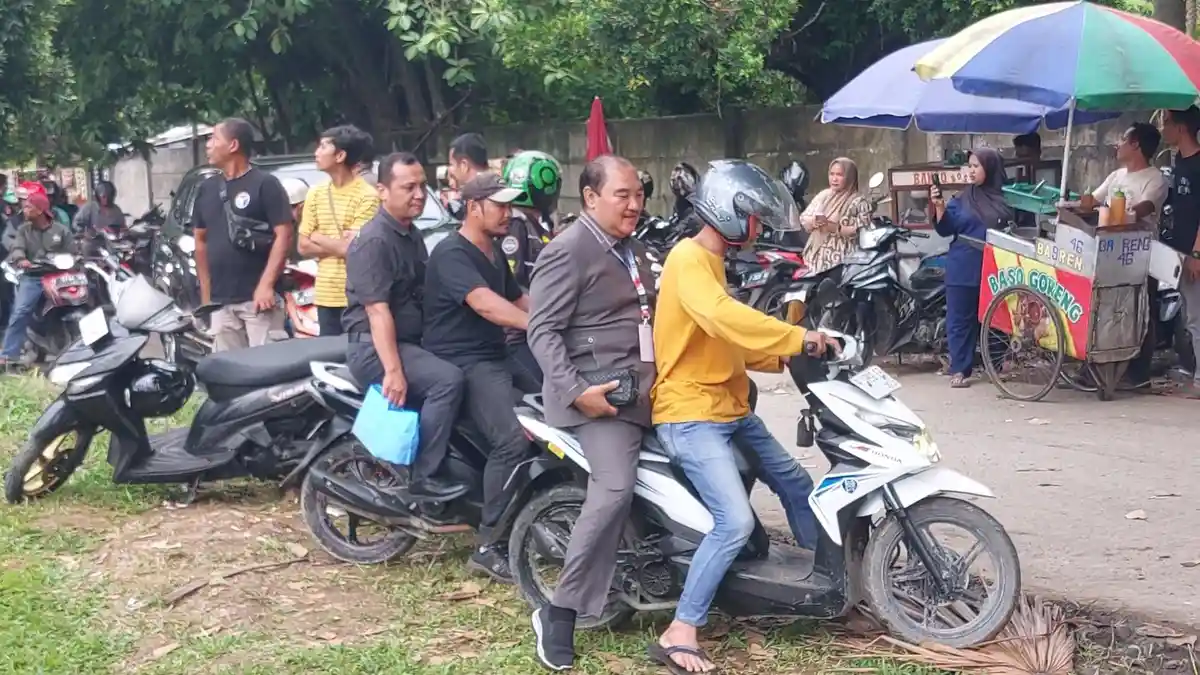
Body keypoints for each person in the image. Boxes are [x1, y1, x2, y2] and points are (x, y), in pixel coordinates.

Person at [648, 160, 831, 674]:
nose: (759, 228)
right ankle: (681, 629)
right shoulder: (688, 259)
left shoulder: (715, 261)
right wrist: (795, 338)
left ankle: (825, 582)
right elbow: (725, 318)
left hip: (729, 406)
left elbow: (724, 338)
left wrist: (784, 354)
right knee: (734, 522)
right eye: (753, 218)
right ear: (730, 213)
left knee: (796, 483)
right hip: (690, 412)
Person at [527, 155, 657, 671]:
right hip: (601, 397)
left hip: (646, 389)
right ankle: (559, 613)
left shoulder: (635, 248)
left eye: (638, 195)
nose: (634, 204)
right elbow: (542, 331)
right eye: (622, 195)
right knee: (615, 486)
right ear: (590, 197)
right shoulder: (569, 249)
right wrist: (579, 390)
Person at [422, 173, 532, 581]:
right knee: (511, 442)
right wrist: (532, 325)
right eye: (500, 205)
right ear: (473, 207)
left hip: (495, 354)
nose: (509, 213)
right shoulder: (452, 253)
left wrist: (559, 319)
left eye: (510, 205)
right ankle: (489, 544)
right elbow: (486, 305)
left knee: (555, 405)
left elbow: (517, 297)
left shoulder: (490, 251)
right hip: (464, 361)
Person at [343, 152, 468, 502]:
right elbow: (377, 312)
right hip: (374, 346)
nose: (418, 194)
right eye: (408, 187)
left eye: (423, 186)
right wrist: (393, 371)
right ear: (383, 190)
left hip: (407, 341)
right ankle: (424, 478)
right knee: (447, 381)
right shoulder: (375, 241)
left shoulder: (408, 233)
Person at [192, 118, 294, 351]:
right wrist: (207, 299)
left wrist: (266, 285)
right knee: (230, 372)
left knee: (266, 371)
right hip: (221, 302)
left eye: (214, 138)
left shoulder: (265, 184)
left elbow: (284, 235)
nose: (208, 145)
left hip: (258, 301)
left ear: (233, 145)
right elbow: (200, 242)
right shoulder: (206, 189)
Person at [932, 148, 1015, 389]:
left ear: (990, 169)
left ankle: (995, 363)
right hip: (963, 264)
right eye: (970, 166)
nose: (971, 171)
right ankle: (960, 368)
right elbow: (946, 228)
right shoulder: (962, 198)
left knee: (998, 317)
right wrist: (939, 206)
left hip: (997, 264)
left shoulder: (1008, 198)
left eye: (976, 166)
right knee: (959, 319)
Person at [297, 125, 380, 337]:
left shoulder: (367, 196)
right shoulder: (316, 193)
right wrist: (337, 244)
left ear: (340, 155)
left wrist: (317, 236)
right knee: (329, 359)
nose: (316, 153)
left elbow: (354, 249)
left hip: (356, 296)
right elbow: (303, 246)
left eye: (324, 146)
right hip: (324, 295)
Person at [499, 150, 560, 392]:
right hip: (520, 336)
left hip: (540, 328)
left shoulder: (537, 224)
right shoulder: (517, 225)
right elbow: (512, 283)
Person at [0, 192, 73, 368]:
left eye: (28, 207)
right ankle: (9, 354)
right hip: (33, 278)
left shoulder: (60, 230)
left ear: (40, 210)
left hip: (58, 276)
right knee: (20, 311)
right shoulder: (23, 230)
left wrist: (75, 259)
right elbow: (17, 248)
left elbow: (72, 250)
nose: (24, 210)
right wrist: (21, 259)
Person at [1160, 106, 1200, 396]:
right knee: (1187, 314)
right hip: (1179, 250)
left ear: (1182, 128)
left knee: (1197, 317)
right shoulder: (1178, 163)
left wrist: (1197, 254)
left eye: (1167, 123)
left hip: (1194, 253)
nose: (1163, 129)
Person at [798, 158, 872, 273]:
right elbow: (803, 218)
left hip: (842, 264)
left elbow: (863, 231)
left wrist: (834, 227)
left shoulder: (859, 202)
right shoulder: (823, 196)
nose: (834, 179)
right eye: (832, 174)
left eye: (840, 175)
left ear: (849, 177)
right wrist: (814, 221)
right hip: (814, 260)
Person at [446, 133, 489, 220]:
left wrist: (454, 200)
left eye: (452, 164)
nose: (450, 170)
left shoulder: (471, 199)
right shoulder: (498, 189)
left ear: (464, 165)